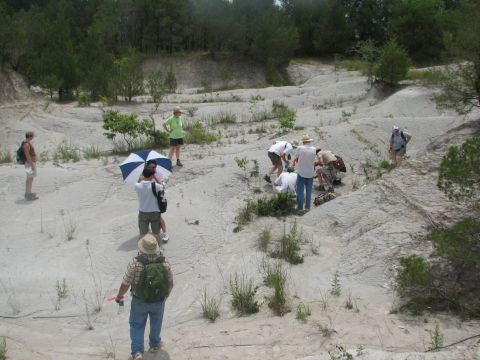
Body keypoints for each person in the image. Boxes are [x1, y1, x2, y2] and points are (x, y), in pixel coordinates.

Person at [115, 234, 174, 360]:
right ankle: (155, 345)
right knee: (156, 322)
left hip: (139, 300)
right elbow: (170, 284)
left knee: (137, 325)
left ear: (141, 248)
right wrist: (165, 296)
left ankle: (137, 352)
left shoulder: (134, 264)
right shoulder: (164, 262)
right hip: (158, 300)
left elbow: (125, 284)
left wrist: (119, 296)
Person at [139, 160, 169, 243]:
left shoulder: (157, 174)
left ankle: (165, 233)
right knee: (155, 219)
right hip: (147, 200)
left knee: (159, 218)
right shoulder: (144, 175)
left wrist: (155, 176)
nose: (154, 169)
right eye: (152, 167)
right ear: (147, 167)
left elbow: (164, 184)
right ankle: (155, 232)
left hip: (157, 200)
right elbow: (140, 185)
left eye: (155, 167)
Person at [135, 168, 164, 245]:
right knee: (156, 233)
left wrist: (140, 177)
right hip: (154, 212)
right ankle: (157, 250)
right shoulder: (156, 186)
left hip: (143, 212)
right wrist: (155, 177)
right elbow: (162, 186)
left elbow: (138, 182)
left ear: (143, 175)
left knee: (142, 234)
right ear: (152, 176)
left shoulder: (137, 186)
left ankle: (141, 251)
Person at [294, 134, 316, 213]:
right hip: (310, 172)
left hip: (301, 172)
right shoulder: (314, 148)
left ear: (303, 142)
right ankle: (307, 208)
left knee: (300, 191)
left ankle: (300, 208)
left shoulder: (300, 148)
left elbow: (295, 157)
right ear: (309, 141)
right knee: (309, 191)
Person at [22, 131, 38, 200]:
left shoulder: (27, 143)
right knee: (29, 178)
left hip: (30, 163)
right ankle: (27, 194)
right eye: (32, 136)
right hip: (29, 163)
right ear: (29, 136)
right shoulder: (26, 144)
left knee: (31, 178)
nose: (33, 137)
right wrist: (32, 165)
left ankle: (29, 192)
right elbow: (27, 155)